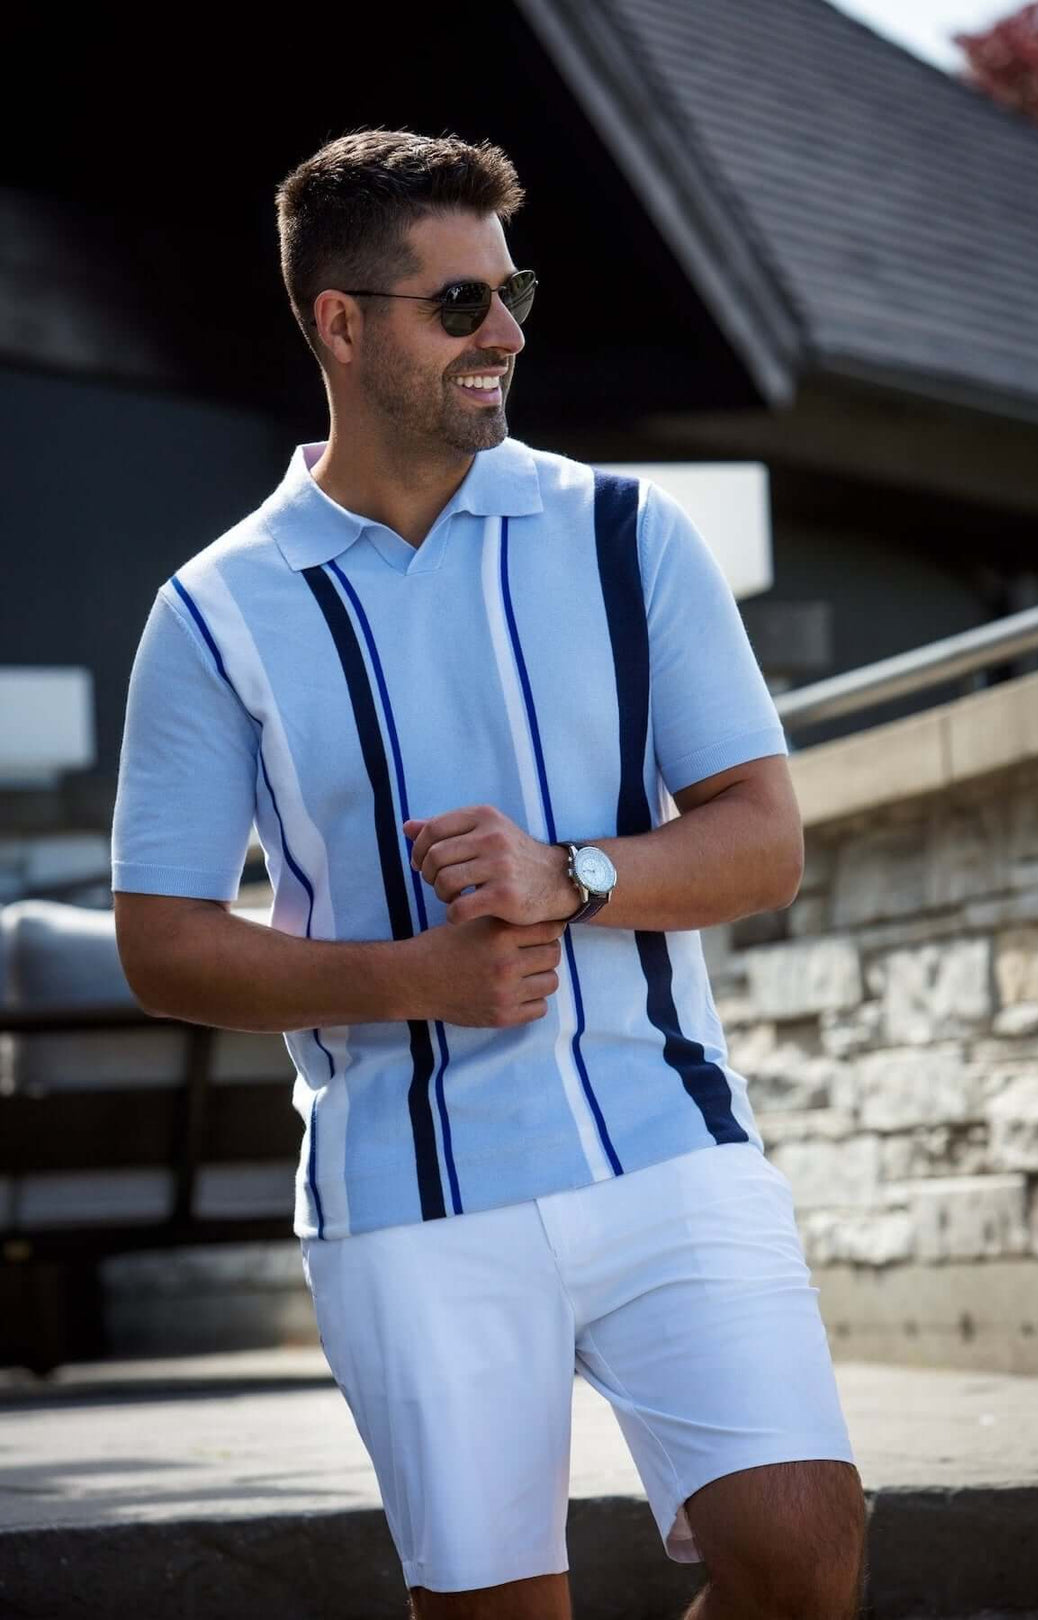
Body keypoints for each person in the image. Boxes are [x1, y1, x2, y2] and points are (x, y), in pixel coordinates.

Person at [111, 127, 866, 1619]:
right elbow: (163, 943)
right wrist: (415, 978)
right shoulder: (212, 611)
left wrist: (568, 876)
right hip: (408, 1198)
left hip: (666, 1144)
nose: (505, 332)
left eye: (510, 292)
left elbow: (764, 840)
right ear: (340, 324)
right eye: (459, 303)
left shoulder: (628, 535)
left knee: (802, 1551)